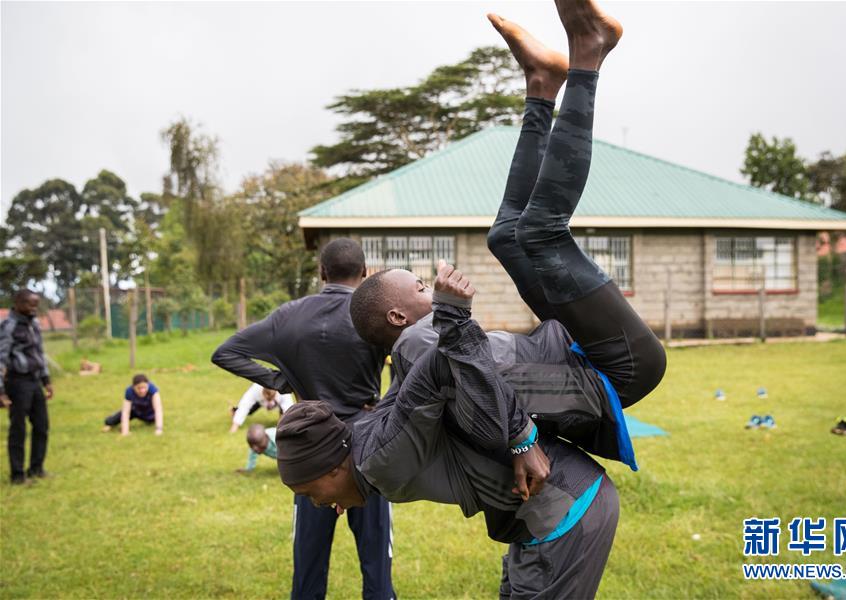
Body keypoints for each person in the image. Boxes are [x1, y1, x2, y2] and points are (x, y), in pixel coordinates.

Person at [281, 2, 667, 596]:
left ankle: (549, 82)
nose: (430, 288)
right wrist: (520, 437)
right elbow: (441, 382)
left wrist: (520, 438)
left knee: (511, 236)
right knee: (534, 235)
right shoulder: (419, 345)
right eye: (418, 288)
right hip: (605, 367)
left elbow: (440, 391)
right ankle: (579, 61)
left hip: (599, 366)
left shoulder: (420, 353)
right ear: (397, 315)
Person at [212, 238, 395, 600]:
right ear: (364, 272)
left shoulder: (288, 316)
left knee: (308, 569)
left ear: (321, 272)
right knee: (377, 568)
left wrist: (280, 381)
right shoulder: (374, 315)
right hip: (366, 447)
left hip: (310, 452)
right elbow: (410, 360)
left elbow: (226, 352)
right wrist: (387, 407)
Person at [0, 289, 53, 485]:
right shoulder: (8, 326)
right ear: (18, 303)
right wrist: (1, 391)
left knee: (41, 426)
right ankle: (17, 475)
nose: (34, 308)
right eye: (30, 304)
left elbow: (40, 353)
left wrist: (46, 380)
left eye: (36, 305)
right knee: (18, 429)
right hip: (17, 382)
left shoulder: (34, 324)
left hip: (34, 380)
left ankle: (36, 469)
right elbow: (1, 358)